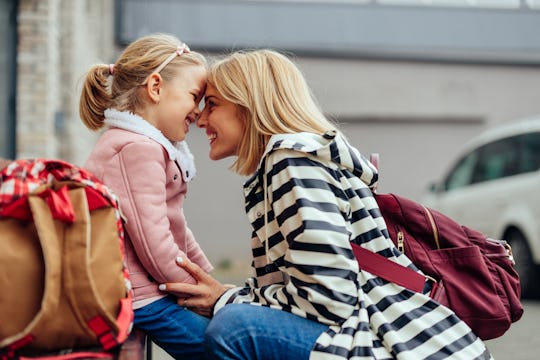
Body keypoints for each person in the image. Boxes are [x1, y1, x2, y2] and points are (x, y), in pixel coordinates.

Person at [160, 49, 494, 360]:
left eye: (213, 104)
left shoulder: (291, 160)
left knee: (235, 329)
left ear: (249, 105)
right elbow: (306, 286)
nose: (201, 120)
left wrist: (226, 301)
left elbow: (328, 297)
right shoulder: (295, 160)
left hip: (396, 344)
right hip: (414, 340)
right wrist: (228, 296)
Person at [79, 33, 212, 360]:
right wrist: (196, 291)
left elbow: (174, 225)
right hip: (137, 295)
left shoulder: (146, 146)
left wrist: (207, 276)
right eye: (194, 97)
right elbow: (155, 244)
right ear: (155, 88)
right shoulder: (136, 149)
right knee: (223, 347)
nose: (198, 112)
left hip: (140, 291)